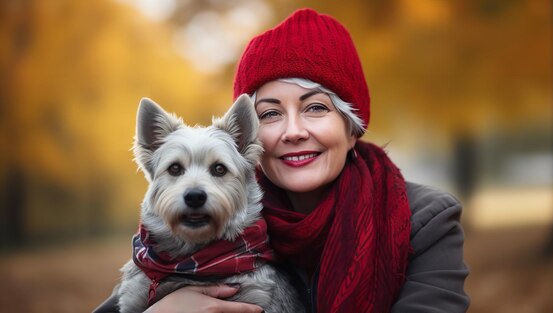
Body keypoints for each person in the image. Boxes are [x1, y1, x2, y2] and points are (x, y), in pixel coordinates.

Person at [94, 8, 469, 313]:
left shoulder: (427, 222)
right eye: (271, 114)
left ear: (352, 128)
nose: (293, 131)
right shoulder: (201, 238)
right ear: (250, 139)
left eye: (316, 108)